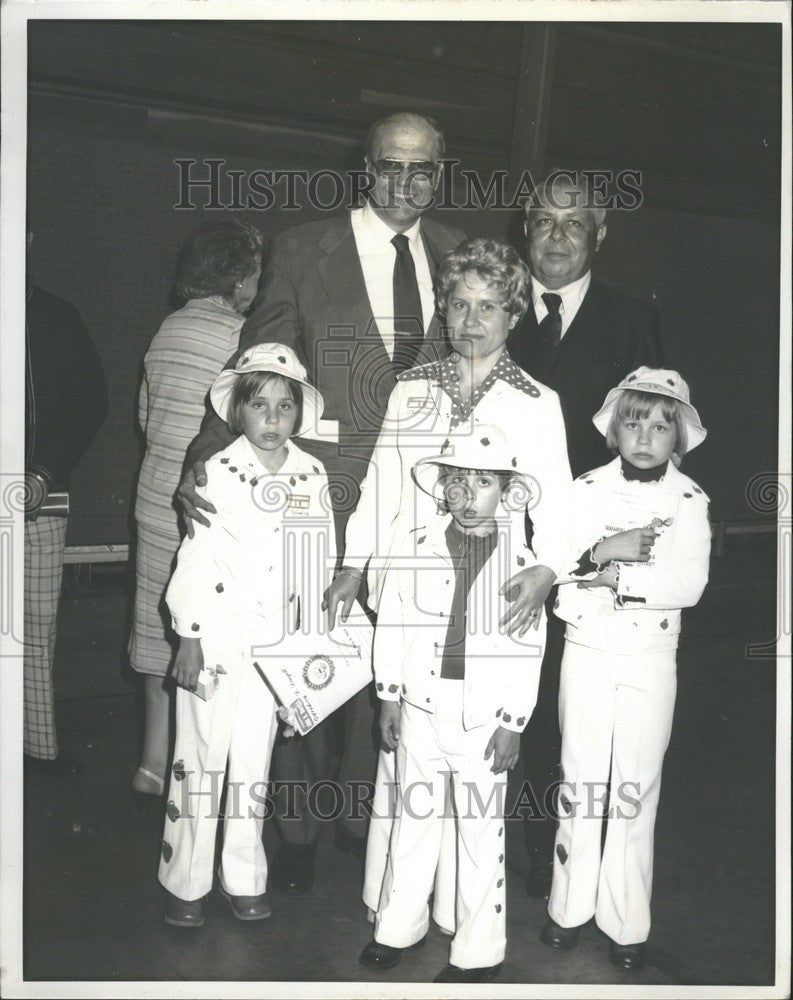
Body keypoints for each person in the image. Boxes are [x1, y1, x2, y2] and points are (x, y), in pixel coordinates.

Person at [178, 111, 465, 892]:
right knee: (303, 654)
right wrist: (205, 461)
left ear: (439, 173)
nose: (405, 184)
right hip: (311, 497)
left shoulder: (456, 255)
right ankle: (297, 827)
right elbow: (254, 365)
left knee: (394, 663)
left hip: (418, 504)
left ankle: (361, 818)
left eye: (422, 169)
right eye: (388, 166)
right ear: (362, 168)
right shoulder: (305, 250)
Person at [324, 238, 572, 938]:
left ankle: (462, 919)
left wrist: (547, 566)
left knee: (468, 775)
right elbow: (377, 487)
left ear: (512, 314)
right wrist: (354, 561)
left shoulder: (536, 401)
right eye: (458, 304)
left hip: (486, 592)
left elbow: (553, 501)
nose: (471, 320)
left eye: (488, 307)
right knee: (408, 764)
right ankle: (393, 905)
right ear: (443, 307)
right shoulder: (412, 387)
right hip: (412, 594)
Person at [506, 170, 665, 898]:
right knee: (505, 700)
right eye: (544, 221)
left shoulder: (633, 320)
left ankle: (555, 861)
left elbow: (653, 447)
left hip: (587, 555)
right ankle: (495, 847)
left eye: (574, 224)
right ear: (524, 231)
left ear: (599, 236)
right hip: (497, 543)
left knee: (568, 715)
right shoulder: (492, 310)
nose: (558, 237)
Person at [359, 427, 545, 984]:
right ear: (443, 489)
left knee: (480, 833)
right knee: (412, 822)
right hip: (419, 708)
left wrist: (514, 723)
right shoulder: (415, 547)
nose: (468, 493)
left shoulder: (524, 564)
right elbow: (391, 626)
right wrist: (388, 695)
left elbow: (529, 649)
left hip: (484, 721)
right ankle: (397, 927)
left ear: (507, 492)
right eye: (458, 482)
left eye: (483, 482)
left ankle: (479, 950)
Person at [158, 344, 335, 927]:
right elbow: (196, 555)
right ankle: (186, 882)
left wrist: (303, 660)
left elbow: (316, 569)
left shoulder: (312, 473)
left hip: (272, 646)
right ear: (238, 410)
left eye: (286, 406)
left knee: (253, 762)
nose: (273, 417)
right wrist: (188, 635)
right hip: (213, 640)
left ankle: (243, 876)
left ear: (299, 413)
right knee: (200, 756)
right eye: (260, 404)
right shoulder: (215, 472)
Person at [540, 366, 710, 971]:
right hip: (587, 649)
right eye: (633, 422)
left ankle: (626, 919)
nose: (644, 436)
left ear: (678, 438)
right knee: (580, 778)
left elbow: (688, 583)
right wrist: (596, 565)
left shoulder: (690, 501)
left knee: (635, 788)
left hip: (649, 657)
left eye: (661, 426)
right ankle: (568, 909)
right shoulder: (584, 490)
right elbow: (560, 574)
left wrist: (619, 577)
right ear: (614, 430)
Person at [129, 221, 262, 803]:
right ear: (237, 276)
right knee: (205, 635)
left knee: (156, 634)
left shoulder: (167, 329)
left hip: (155, 494)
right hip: (207, 505)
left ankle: (152, 765)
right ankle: (199, 775)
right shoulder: (240, 337)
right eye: (256, 269)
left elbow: (145, 414)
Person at [24, 270, 108, 775]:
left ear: (28, 236)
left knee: (36, 631)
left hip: (40, 497)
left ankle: (37, 752)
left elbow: (89, 402)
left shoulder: (56, 316)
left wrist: (45, 470)